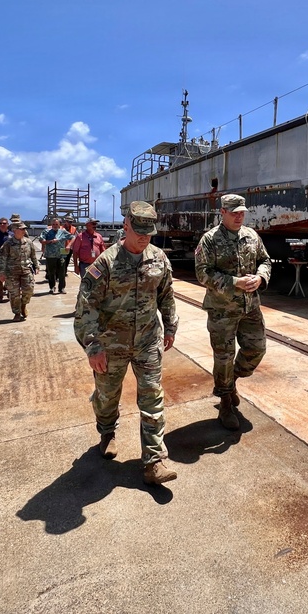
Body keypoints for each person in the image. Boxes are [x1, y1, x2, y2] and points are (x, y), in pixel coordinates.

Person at [74, 201, 179, 485]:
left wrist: (170, 326)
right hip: (111, 345)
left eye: (149, 232)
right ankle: (107, 431)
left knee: (152, 398)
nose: (144, 237)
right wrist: (92, 347)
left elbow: (166, 295)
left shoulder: (158, 259)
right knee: (107, 398)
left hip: (147, 342)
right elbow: (86, 310)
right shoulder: (105, 263)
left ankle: (154, 461)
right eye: (139, 231)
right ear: (126, 226)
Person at [194, 193, 272, 430]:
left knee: (257, 349)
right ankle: (226, 402)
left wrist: (260, 277)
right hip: (222, 310)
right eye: (234, 212)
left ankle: (232, 381)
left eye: (242, 212)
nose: (239, 216)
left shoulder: (251, 236)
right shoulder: (209, 240)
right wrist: (234, 282)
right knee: (224, 357)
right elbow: (202, 273)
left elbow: (265, 261)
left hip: (250, 307)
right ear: (223, 213)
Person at [0, 221, 38, 321]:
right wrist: (1, 273)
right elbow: (2, 259)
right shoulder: (8, 244)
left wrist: (36, 266)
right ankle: (17, 313)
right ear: (15, 230)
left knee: (29, 290)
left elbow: (33, 255)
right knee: (14, 294)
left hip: (26, 270)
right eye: (22, 229)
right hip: (12, 273)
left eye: (25, 229)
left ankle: (23, 305)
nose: (24, 230)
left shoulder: (28, 242)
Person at [39, 217, 73, 294]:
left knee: (62, 272)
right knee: (51, 273)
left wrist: (69, 245)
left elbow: (73, 237)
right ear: (51, 224)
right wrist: (50, 241)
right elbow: (41, 240)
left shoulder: (63, 232)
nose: (55, 225)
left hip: (61, 255)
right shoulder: (46, 231)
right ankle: (52, 287)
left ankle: (61, 288)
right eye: (53, 224)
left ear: (59, 225)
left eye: (56, 224)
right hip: (50, 255)